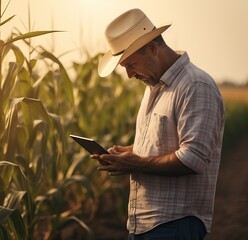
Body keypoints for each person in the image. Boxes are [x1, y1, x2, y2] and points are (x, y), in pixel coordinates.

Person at [91, 8, 225, 240]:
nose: (130, 76)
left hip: (175, 223)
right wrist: (129, 154)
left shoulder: (195, 86)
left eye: (131, 65)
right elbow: (163, 144)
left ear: (153, 48)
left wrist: (137, 164)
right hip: (145, 224)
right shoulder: (154, 88)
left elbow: (193, 158)